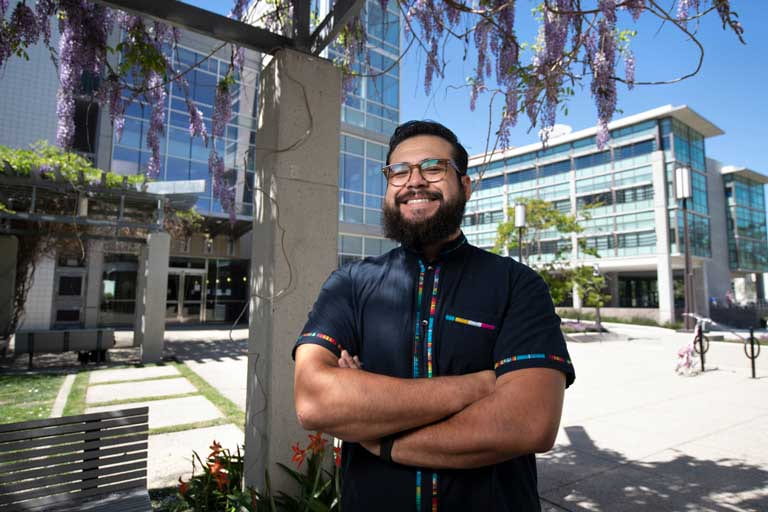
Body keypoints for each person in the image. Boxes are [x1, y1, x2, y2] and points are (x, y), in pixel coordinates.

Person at [293, 120, 575, 511]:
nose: (414, 181)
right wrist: (477, 387)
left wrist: (380, 437)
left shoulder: (518, 284)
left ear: (466, 185)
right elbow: (315, 401)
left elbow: (529, 422)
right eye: (398, 171)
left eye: (433, 168)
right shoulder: (349, 284)